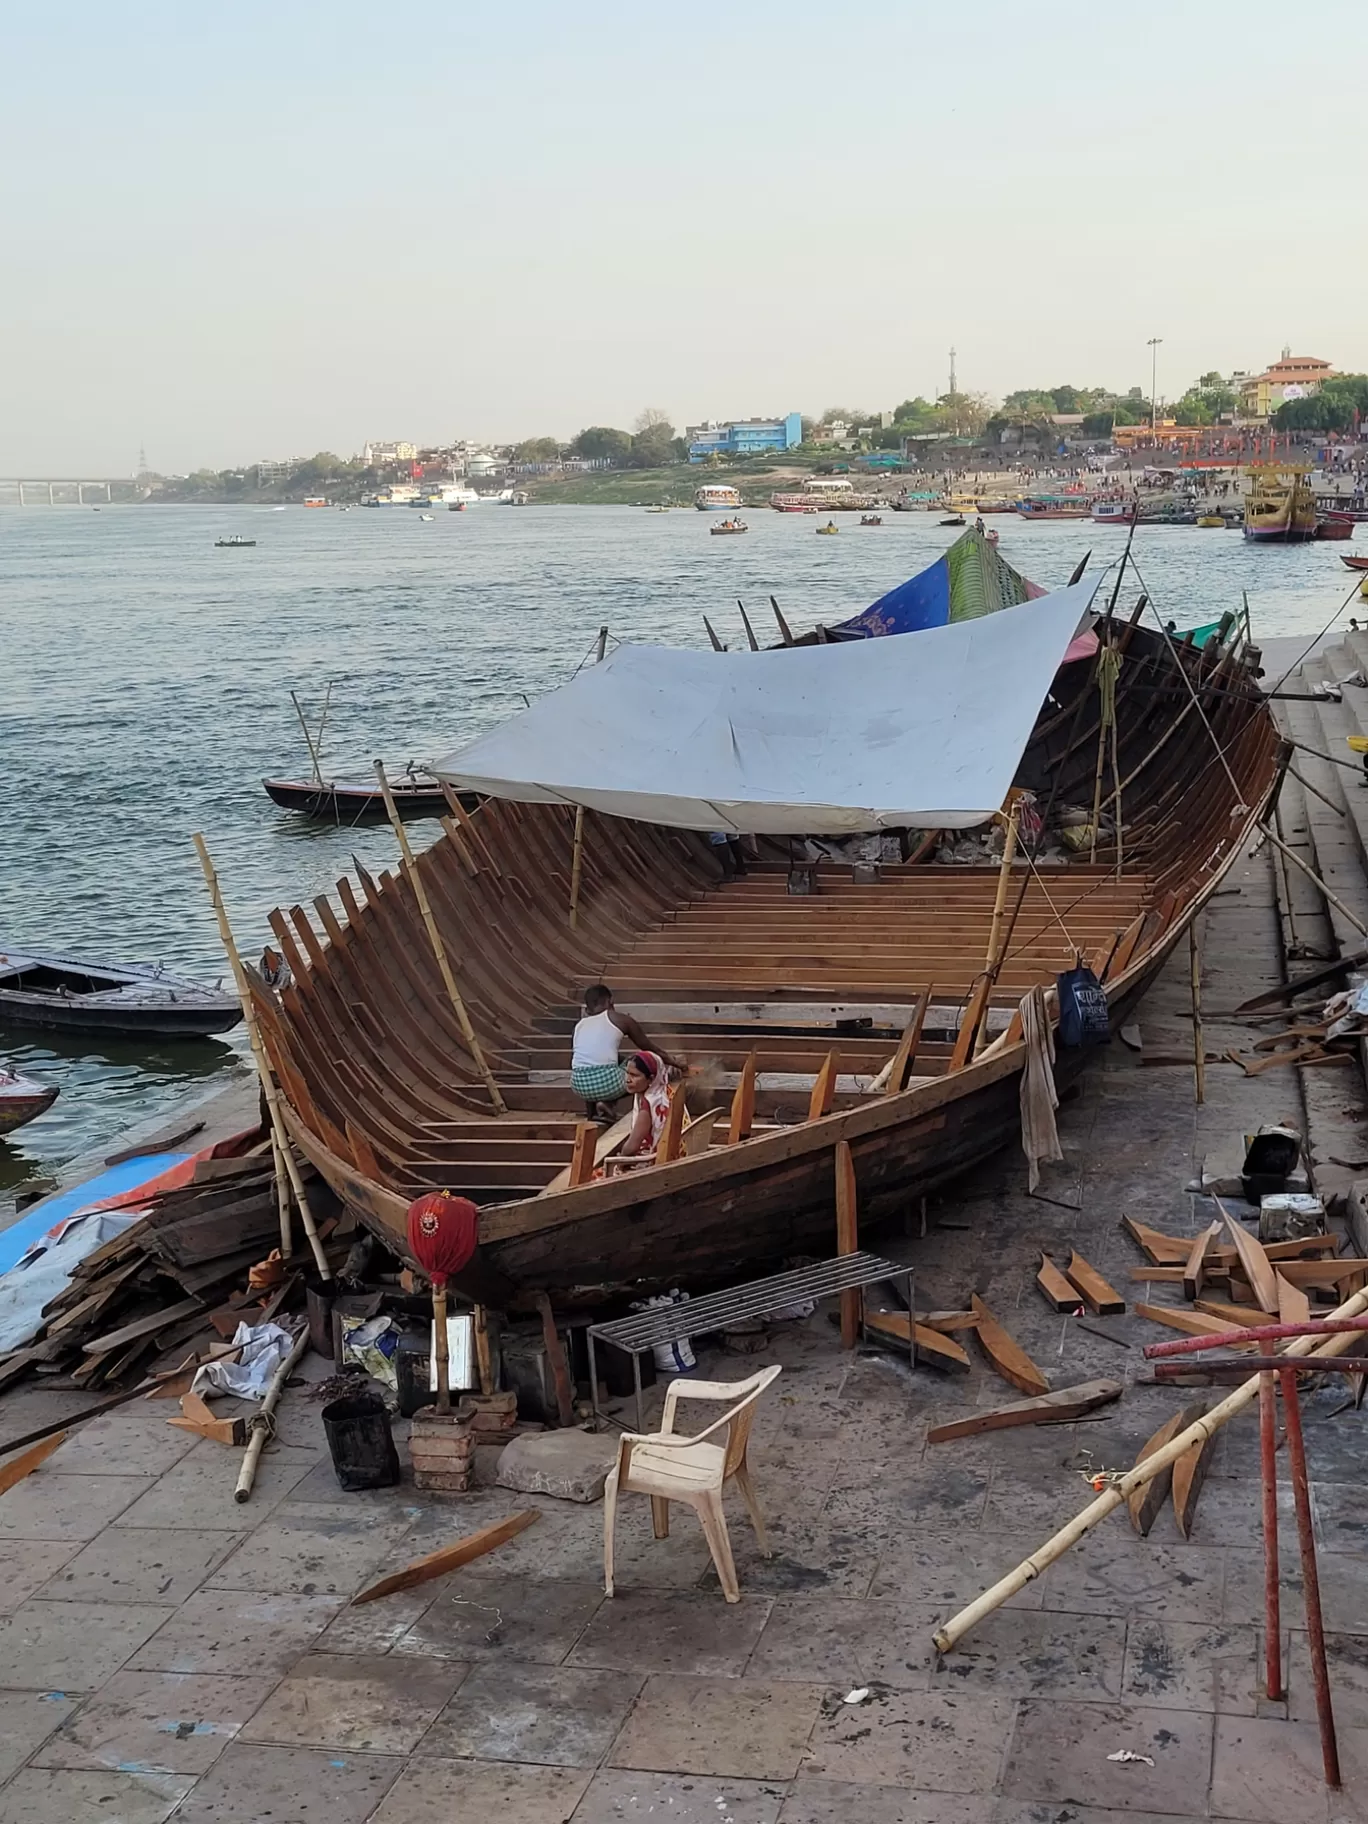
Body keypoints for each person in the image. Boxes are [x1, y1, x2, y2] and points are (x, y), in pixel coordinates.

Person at [570, 984, 680, 1120]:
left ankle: (596, 1112)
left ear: (587, 1009)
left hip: (578, 1085)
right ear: (610, 1001)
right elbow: (649, 1048)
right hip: (608, 1082)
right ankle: (645, 1112)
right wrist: (675, 1064)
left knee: (605, 1064)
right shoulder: (619, 1019)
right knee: (645, 1061)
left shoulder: (579, 1026)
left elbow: (589, 1060)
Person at [620, 1051, 673, 1156]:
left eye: (634, 1075)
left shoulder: (649, 1104)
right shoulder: (668, 1092)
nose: (628, 1080)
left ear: (651, 1079)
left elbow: (631, 1147)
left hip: (660, 1159)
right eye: (627, 1073)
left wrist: (619, 1163)